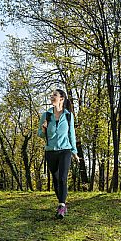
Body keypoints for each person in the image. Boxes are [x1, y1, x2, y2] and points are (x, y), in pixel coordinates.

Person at [38, 89, 79, 219]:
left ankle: (61, 206)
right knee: (55, 179)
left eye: (54, 95)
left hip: (65, 150)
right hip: (50, 151)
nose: (51, 97)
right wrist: (43, 129)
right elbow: (39, 134)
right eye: (51, 95)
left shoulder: (68, 115)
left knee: (62, 178)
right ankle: (62, 203)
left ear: (61, 98)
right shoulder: (46, 115)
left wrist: (74, 152)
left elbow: (71, 134)